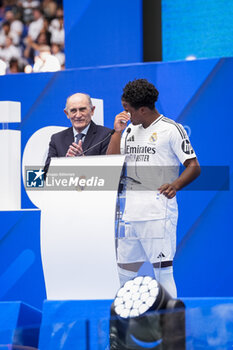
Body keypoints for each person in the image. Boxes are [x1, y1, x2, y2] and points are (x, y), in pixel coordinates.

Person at [107, 79, 201, 298]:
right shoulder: (129, 130)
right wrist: (117, 132)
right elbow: (111, 162)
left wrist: (175, 185)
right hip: (130, 216)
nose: (125, 114)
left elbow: (194, 166)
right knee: (123, 274)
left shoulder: (171, 130)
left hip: (158, 215)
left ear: (142, 109)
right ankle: (124, 325)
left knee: (163, 274)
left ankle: (171, 328)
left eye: (127, 109)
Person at [44, 92, 113, 172]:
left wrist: (82, 161)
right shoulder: (57, 139)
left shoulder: (106, 135)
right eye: (73, 111)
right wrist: (65, 163)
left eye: (82, 109)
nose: (78, 115)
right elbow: (46, 173)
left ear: (92, 110)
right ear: (67, 114)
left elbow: (108, 172)